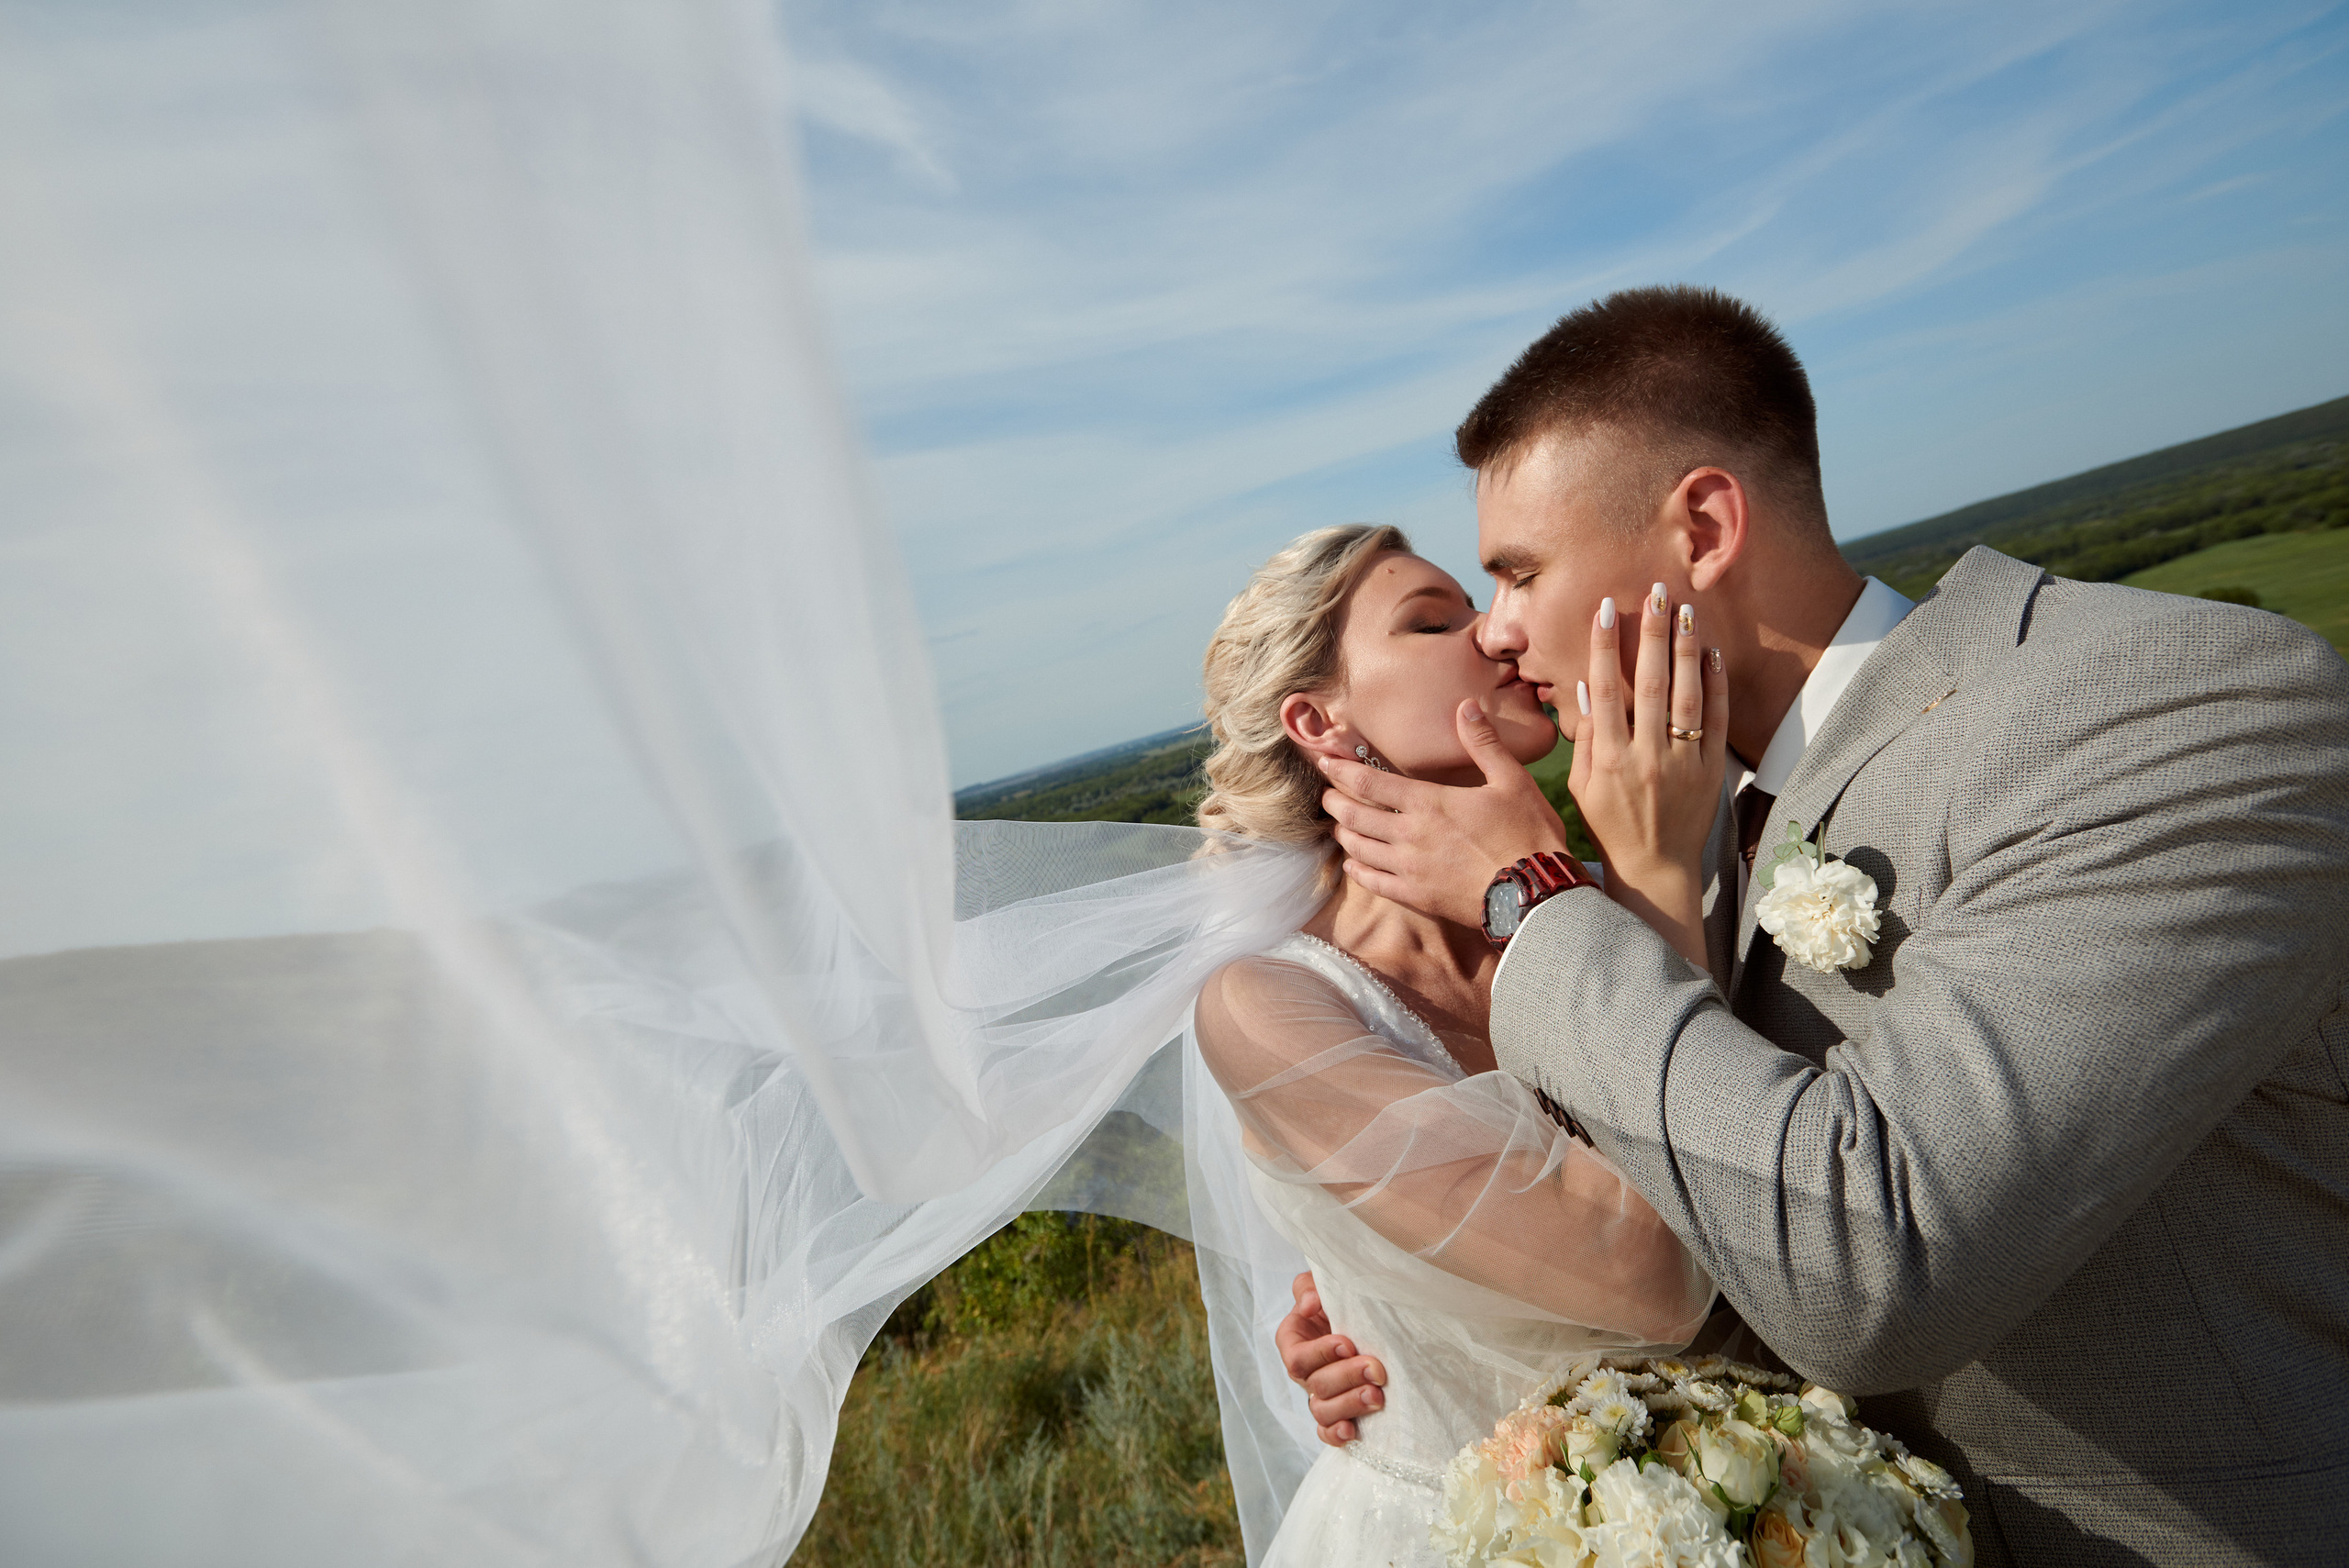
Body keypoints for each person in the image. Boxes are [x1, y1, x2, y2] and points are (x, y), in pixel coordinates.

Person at [1286, 285, 2349, 1562]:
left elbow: (1876, 1266)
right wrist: (1417, 1310)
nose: (1498, 631)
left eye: (1519, 572)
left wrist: (1535, 895)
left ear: (1703, 527)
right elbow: (1694, 1221)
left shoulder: (2164, 703)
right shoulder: (1673, 825)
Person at [1187, 522, 1716, 1566]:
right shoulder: (1270, 1007)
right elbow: (1653, 1278)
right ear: (1318, 720)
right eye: (1432, 621)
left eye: (1479, 602)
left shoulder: (1600, 898)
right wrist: (1650, 881)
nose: (1494, 631)